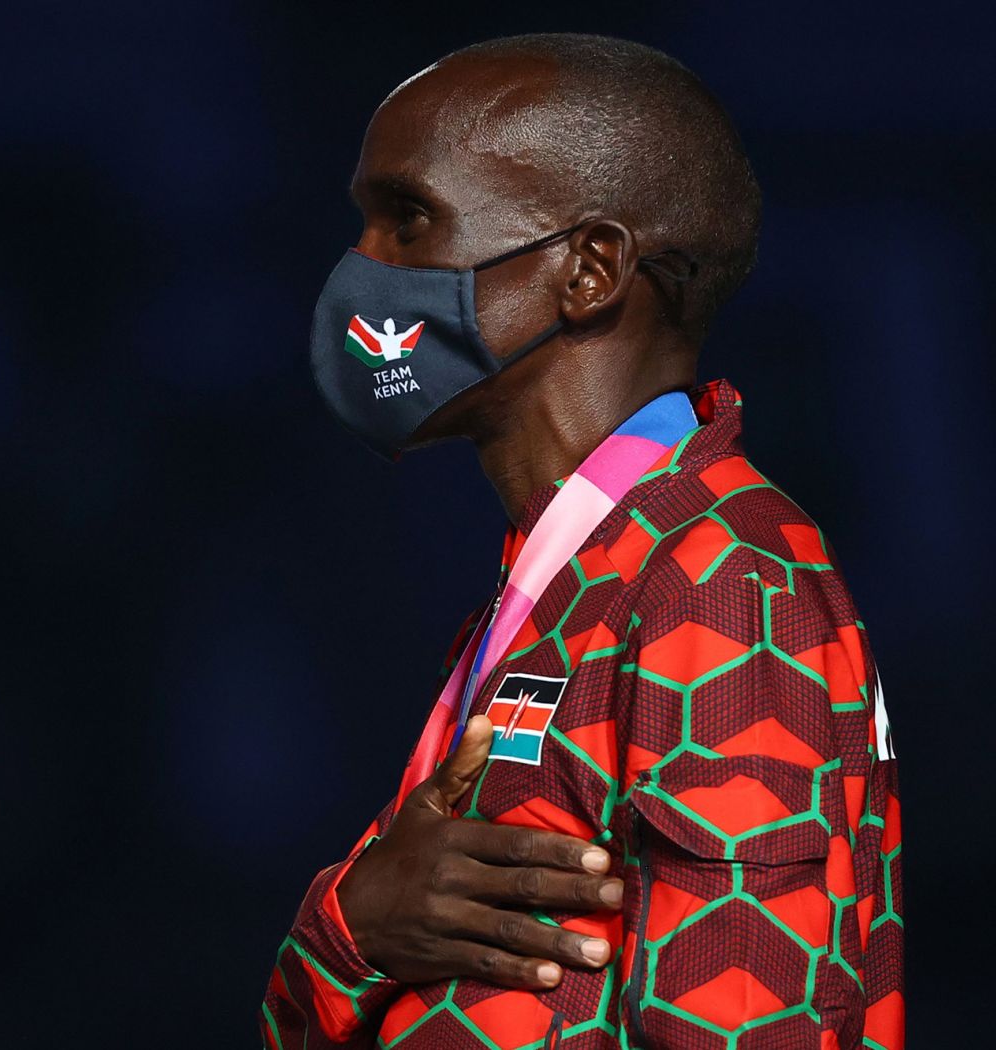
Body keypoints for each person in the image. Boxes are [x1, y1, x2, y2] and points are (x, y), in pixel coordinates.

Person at [263, 33, 903, 1049]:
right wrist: (353, 926)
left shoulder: (722, 573)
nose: (364, 271)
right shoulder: (568, 577)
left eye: (408, 220)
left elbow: (743, 1024)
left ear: (590, 269)